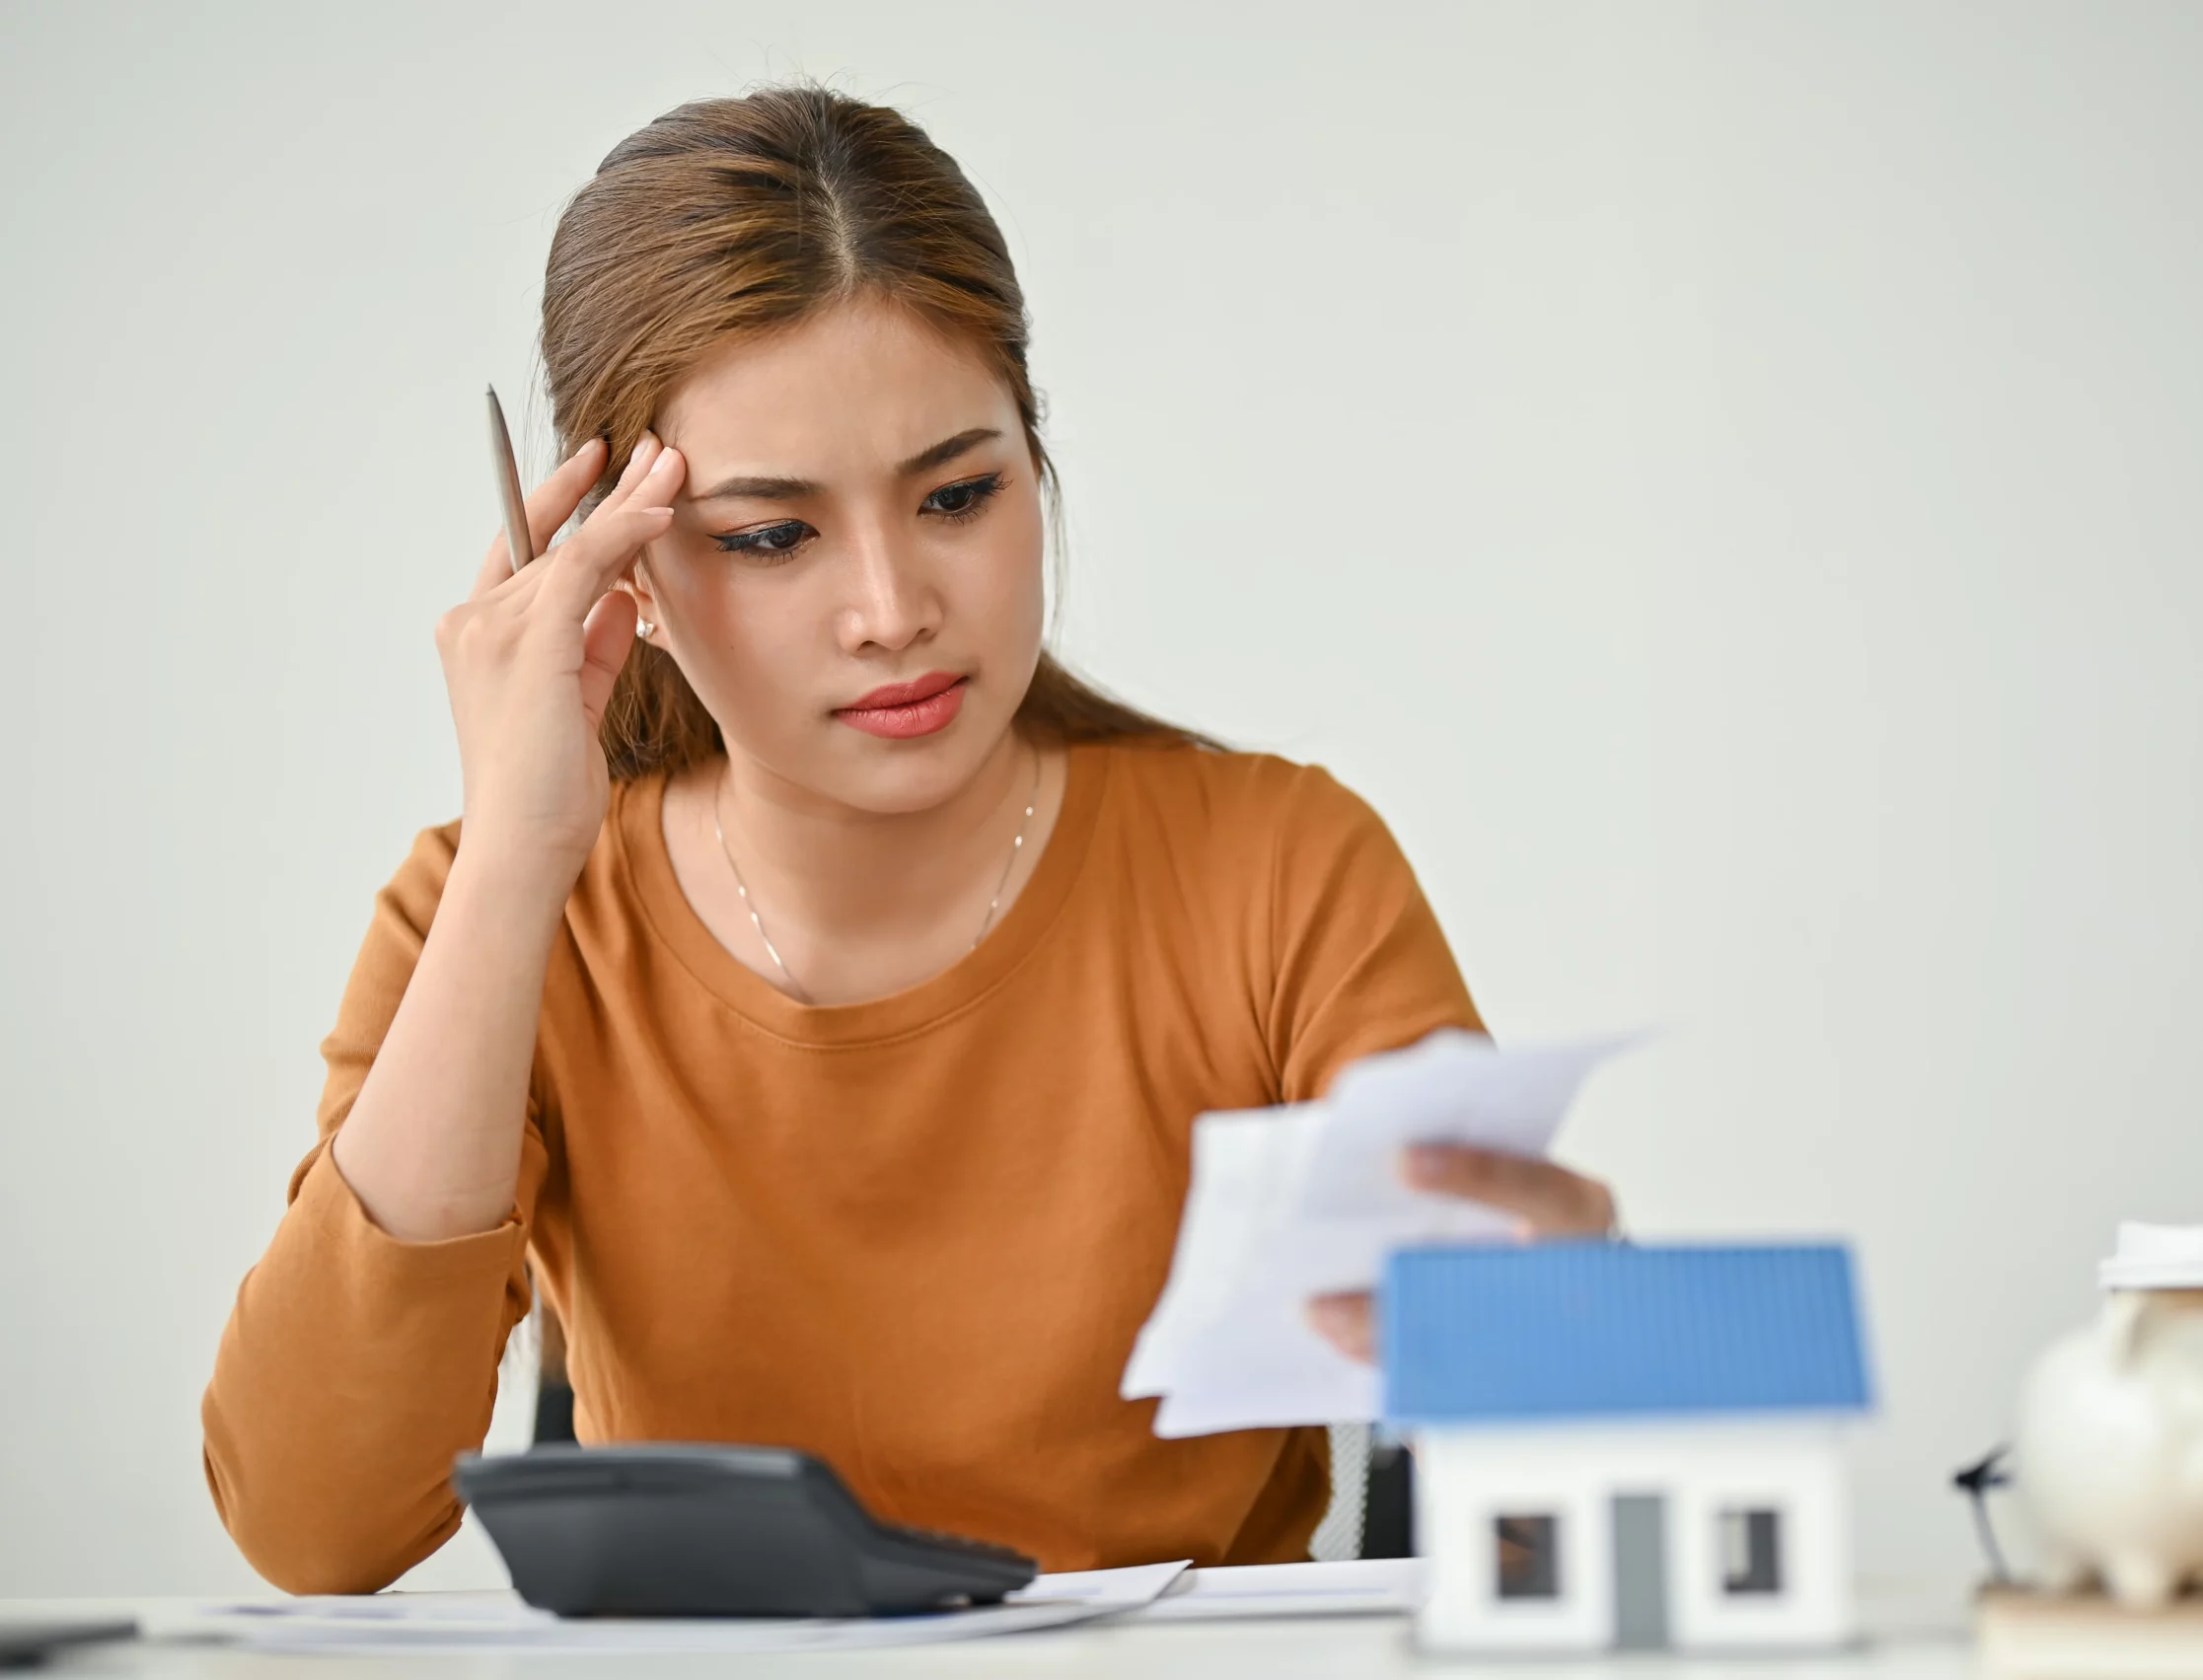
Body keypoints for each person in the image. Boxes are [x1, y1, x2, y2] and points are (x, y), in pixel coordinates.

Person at [200, 83, 1618, 1595]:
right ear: (620, 570)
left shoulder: (1276, 868)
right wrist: (514, 861)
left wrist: (1566, 1342)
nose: (892, 608)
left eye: (956, 493)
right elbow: (314, 1524)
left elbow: (1543, 1511)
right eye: (771, 533)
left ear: (1036, 459)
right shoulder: (490, 909)